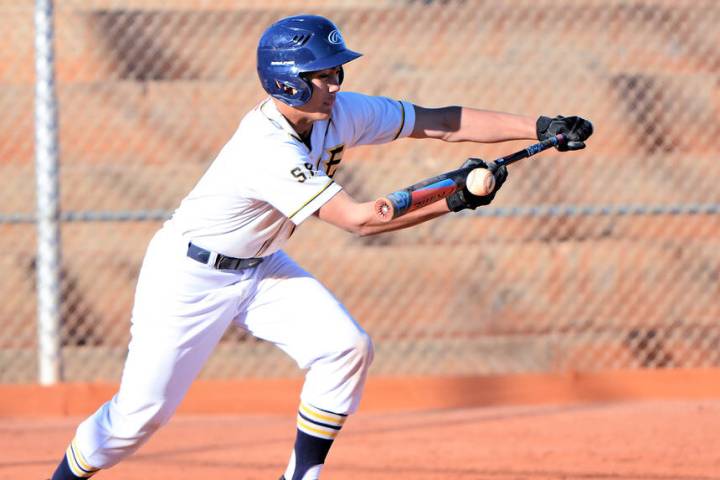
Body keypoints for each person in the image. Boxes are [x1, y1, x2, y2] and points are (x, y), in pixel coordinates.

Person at [49, 14, 593, 480]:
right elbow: (360, 221)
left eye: (337, 71)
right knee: (136, 419)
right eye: (323, 74)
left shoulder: (339, 111)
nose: (335, 82)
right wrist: (451, 196)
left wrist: (538, 126)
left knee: (346, 347)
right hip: (189, 276)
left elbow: (438, 123)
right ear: (287, 83)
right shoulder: (264, 147)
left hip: (262, 266)